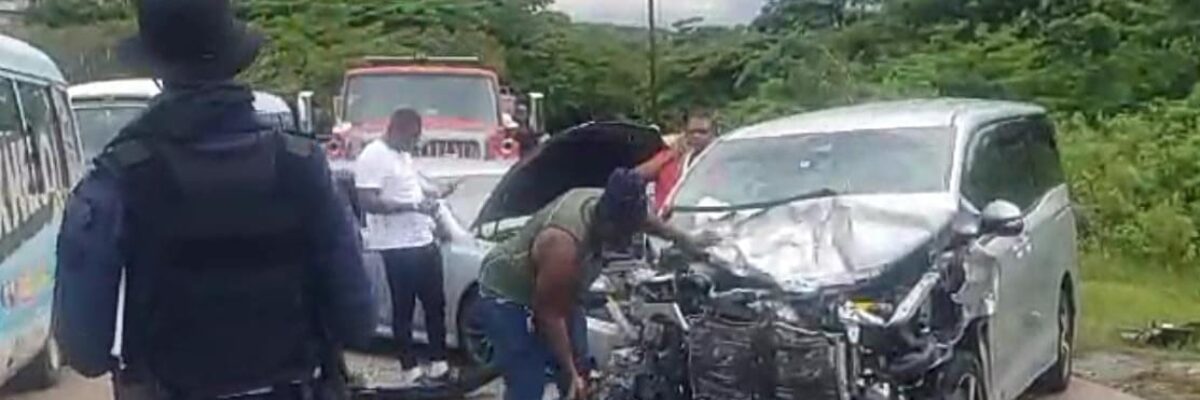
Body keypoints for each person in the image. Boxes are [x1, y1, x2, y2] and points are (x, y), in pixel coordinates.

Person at [53, 0, 376, 399]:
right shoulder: (302, 165)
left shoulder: (119, 178)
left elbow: (84, 349)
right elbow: (358, 320)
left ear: (158, 71)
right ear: (232, 60)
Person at [477, 169, 713, 400]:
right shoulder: (563, 244)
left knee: (583, 366)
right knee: (528, 376)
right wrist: (570, 372)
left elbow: (651, 223)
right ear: (606, 221)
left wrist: (687, 242)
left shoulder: (620, 205)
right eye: (621, 234)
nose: (625, 240)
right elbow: (549, 315)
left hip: (561, 293)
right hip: (506, 291)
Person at [354, 108, 453, 386]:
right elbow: (368, 201)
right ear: (395, 130)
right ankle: (409, 368)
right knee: (404, 307)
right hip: (396, 245)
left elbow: (413, 187)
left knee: (435, 303)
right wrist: (411, 207)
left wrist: (435, 194)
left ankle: (438, 363)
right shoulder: (373, 157)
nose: (414, 143)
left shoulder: (403, 154)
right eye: (411, 137)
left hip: (422, 238)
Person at [637, 110, 718, 214]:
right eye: (692, 132)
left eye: (702, 132)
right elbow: (635, 175)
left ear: (713, 133)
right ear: (685, 133)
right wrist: (672, 154)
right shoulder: (670, 158)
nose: (696, 136)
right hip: (664, 222)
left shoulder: (720, 162)